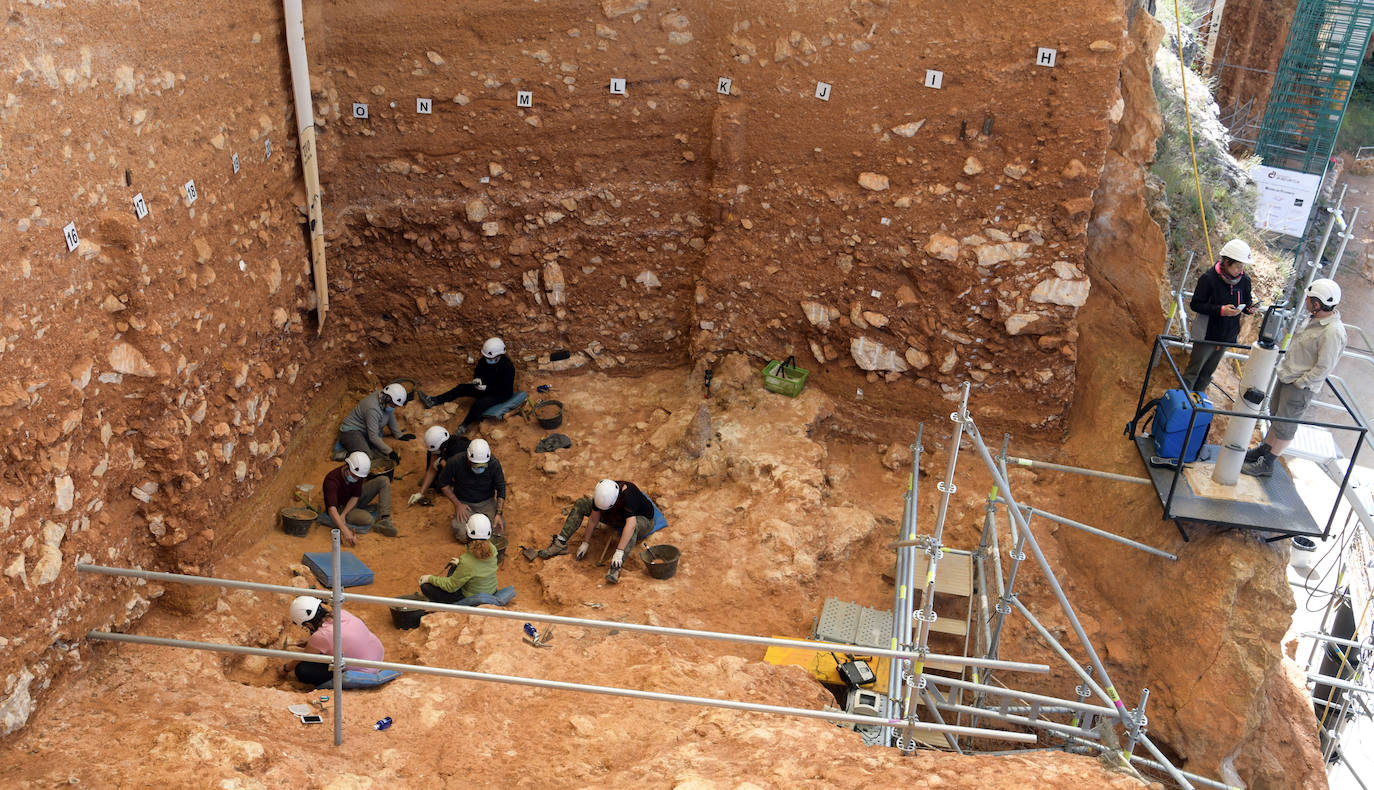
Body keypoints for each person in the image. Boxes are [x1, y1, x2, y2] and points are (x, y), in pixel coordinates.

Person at [1243, 278, 1348, 478]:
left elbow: (1324, 366)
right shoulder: (1313, 319)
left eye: (1309, 299)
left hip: (1299, 385)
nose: (1306, 301)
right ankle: (1265, 449)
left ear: (1317, 304)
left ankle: (1268, 463)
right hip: (1288, 376)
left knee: (1286, 425)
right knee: (1276, 415)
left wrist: (1300, 383)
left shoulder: (1332, 331)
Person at [536, 479, 658, 584]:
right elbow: (594, 519)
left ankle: (615, 567)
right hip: (616, 516)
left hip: (643, 520)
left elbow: (630, 526)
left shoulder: (629, 496)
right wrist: (585, 542)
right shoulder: (602, 492)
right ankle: (560, 543)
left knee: (633, 526)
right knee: (581, 504)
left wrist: (619, 551)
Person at [1183, 238, 1257, 393]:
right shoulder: (1209, 279)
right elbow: (1196, 304)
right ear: (1226, 261)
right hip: (1207, 335)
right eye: (1237, 266)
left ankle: (1197, 402)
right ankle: (1183, 403)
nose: (1240, 270)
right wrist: (1221, 310)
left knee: (1207, 373)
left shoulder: (1244, 280)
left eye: (1242, 266)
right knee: (1193, 371)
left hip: (1226, 336)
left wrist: (1249, 308)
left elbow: (1246, 302)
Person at [417, 338, 516, 435]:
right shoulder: (485, 360)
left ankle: (465, 425)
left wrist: (486, 388)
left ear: (499, 355)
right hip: (484, 387)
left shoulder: (508, 367)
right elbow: (478, 370)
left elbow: (505, 390)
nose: (487, 360)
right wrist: (477, 379)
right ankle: (434, 401)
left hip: (500, 394)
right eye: (486, 357)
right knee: (461, 388)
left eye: (490, 358)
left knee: (480, 403)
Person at [282, 595, 385, 687]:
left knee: (303, 670)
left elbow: (302, 658)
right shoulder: (341, 613)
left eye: (305, 626)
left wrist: (284, 669)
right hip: (377, 655)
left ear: (308, 624)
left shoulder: (320, 636)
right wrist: (311, 642)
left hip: (364, 673)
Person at [434, 438, 506, 541]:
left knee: (498, 529)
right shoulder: (455, 462)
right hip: (464, 503)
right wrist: (457, 504)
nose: (479, 468)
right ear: (468, 458)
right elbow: (443, 483)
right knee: (462, 533)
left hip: (487, 502)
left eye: (482, 466)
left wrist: (498, 513)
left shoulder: (493, 463)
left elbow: (501, 487)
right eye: (475, 465)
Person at [418, 514, 499, 604]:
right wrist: (460, 563)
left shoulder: (467, 561)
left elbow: (451, 586)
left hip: (473, 598)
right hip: (490, 591)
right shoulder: (493, 548)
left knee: (426, 587)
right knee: (456, 568)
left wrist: (429, 578)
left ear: (467, 533)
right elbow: (479, 566)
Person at [319, 451, 396, 542]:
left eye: (358, 477)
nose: (356, 479)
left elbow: (355, 496)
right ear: (348, 466)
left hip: (352, 500)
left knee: (384, 480)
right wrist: (345, 530)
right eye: (354, 476)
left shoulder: (358, 475)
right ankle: (357, 514)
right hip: (340, 507)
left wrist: (344, 515)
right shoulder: (332, 480)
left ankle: (385, 519)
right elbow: (332, 510)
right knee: (368, 519)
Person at [337, 383, 414, 462]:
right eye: (393, 405)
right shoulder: (372, 409)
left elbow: (389, 416)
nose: (394, 407)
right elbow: (373, 437)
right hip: (351, 431)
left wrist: (399, 435)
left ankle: (359, 447)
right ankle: (343, 455)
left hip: (365, 431)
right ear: (388, 399)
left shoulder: (384, 398)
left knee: (381, 454)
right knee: (366, 458)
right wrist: (391, 452)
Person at [408, 425, 470, 506]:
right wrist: (420, 493)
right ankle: (435, 481)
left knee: (447, 489)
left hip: (466, 476)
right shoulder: (439, 445)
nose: (434, 453)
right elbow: (431, 470)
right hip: (448, 461)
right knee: (438, 478)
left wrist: (442, 461)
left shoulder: (458, 450)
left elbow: (457, 478)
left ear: (441, 447)